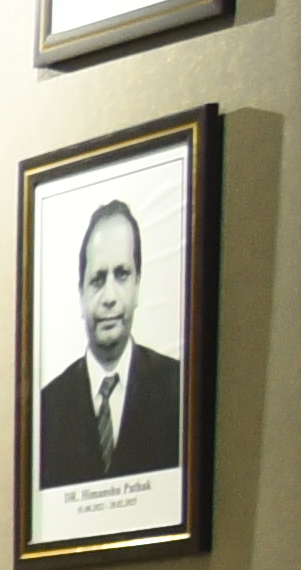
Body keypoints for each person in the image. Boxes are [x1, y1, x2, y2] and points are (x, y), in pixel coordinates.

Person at [34, 195, 189, 485]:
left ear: (138, 285)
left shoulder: (179, 389)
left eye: (122, 275)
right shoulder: (46, 408)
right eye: (97, 279)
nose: (109, 297)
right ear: (80, 294)